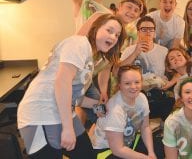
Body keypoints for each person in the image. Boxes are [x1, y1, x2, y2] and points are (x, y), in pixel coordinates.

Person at [17, 14, 126, 159]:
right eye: (109, 30)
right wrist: (68, 129)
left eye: (117, 35)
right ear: (95, 29)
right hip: (42, 114)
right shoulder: (78, 44)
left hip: (62, 112)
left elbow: (74, 97)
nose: (113, 37)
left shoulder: (89, 57)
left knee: (86, 153)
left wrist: (98, 104)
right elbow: (62, 84)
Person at [90, 65, 157, 159]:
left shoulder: (142, 98)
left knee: (158, 147)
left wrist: (151, 153)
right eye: (127, 83)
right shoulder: (115, 110)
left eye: (137, 82)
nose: (133, 87)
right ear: (119, 85)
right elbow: (117, 150)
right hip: (106, 149)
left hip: (127, 142)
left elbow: (145, 127)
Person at [120, 16, 174, 121]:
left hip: (158, 94)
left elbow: (179, 70)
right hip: (135, 93)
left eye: (151, 29)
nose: (148, 32)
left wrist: (171, 82)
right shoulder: (129, 50)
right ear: (138, 32)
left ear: (154, 33)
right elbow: (118, 71)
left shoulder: (164, 51)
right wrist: (135, 53)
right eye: (144, 29)